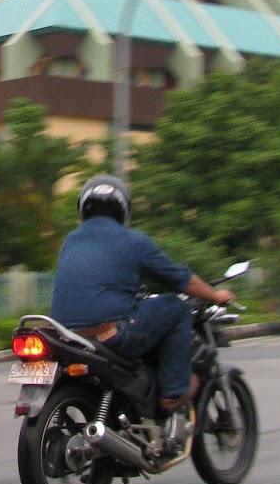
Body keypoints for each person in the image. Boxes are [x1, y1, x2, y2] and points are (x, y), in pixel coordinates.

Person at [49, 174, 236, 455]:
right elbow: (180, 279)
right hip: (108, 334)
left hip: (67, 336)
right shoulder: (133, 241)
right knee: (176, 308)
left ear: (83, 207)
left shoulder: (71, 241)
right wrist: (216, 295)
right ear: (122, 208)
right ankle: (173, 393)